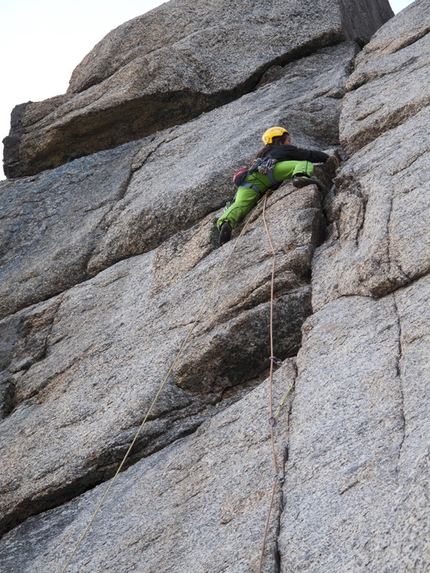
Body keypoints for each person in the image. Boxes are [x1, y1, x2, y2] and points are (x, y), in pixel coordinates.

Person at [217, 126, 339, 245]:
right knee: (303, 163)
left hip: (249, 181)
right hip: (272, 171)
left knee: (240, 204)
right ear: (280, 142)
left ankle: (225, 223)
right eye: (289, 141)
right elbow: (307, 154)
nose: (291, 144)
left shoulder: (260, 156)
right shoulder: (284, 149)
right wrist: (326, 157)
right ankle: (300, 176)